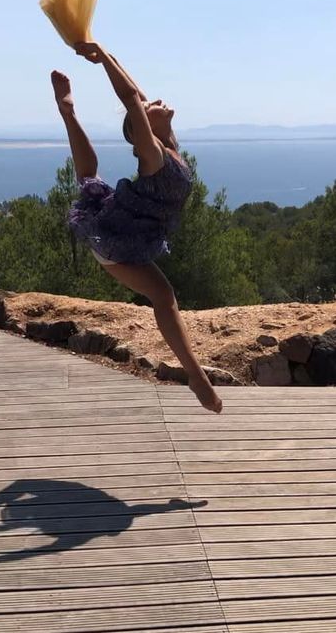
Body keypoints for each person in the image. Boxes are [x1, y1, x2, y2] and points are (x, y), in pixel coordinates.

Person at [50, 40, 222, 413]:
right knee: (164, 297)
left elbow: (136, 96)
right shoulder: (154, 154)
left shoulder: (168, 142)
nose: (154, 100)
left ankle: (68, 113)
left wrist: (108, 57)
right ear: (143, 128)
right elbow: (131, 100)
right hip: (116, 239)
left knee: (89, 177)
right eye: (149, 108)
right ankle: (196, 376)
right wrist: (101, 55)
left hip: (124, 220)